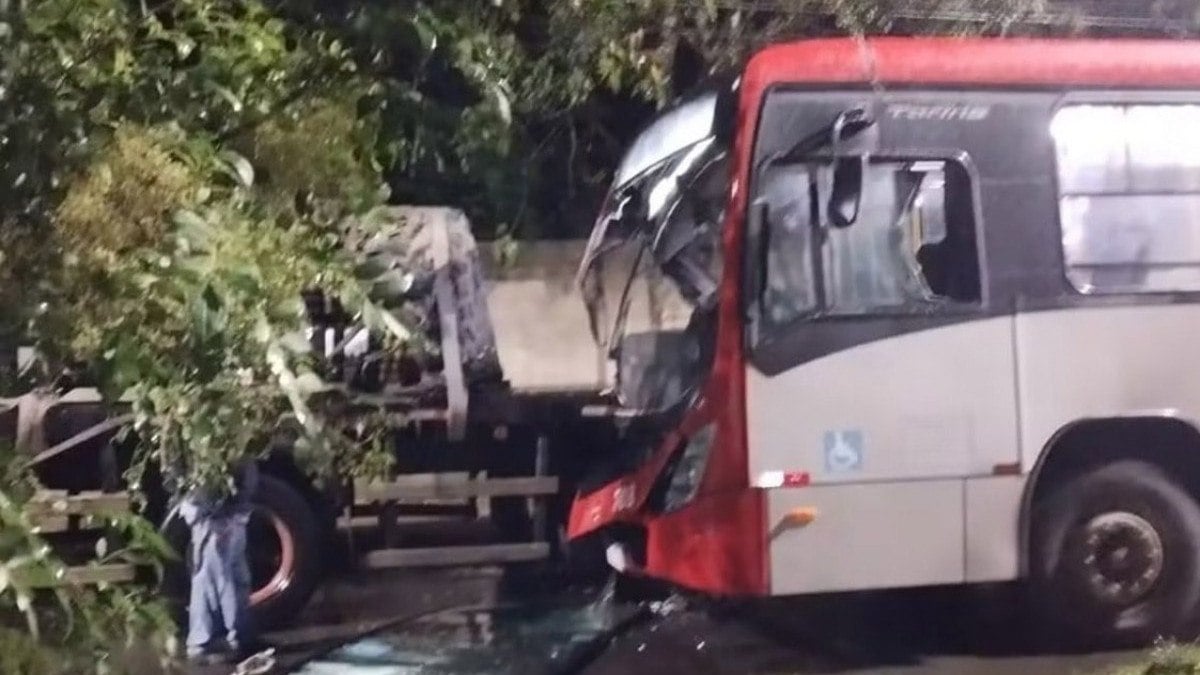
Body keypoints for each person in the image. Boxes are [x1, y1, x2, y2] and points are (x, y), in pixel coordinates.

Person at [179, 458, 260, 665]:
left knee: (231, 578)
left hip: (228, 515)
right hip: (216, 519)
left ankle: (234, 636)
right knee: (218, 580)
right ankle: (213, 641)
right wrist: (217, 517)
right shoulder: (209, 449)